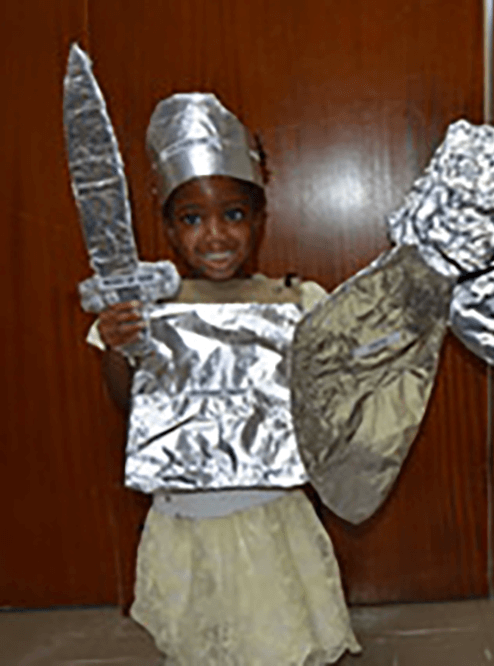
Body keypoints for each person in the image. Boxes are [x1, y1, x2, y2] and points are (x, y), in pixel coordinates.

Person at [88, 93, 360, 666]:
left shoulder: (294, 300)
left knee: (280, 641)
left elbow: (332, 394)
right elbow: (127, 403)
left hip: (271, 515)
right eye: (192, 218)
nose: (215, 235)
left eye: (233, 214)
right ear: (166, 225)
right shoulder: (148, 308)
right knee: (199, 645)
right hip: (184, 520)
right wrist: (120, 345)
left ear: (260, 219)